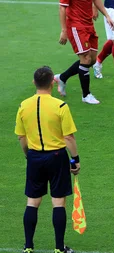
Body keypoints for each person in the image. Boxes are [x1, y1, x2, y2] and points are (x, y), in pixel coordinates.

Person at [15, 66, 80, 253]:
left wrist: (29, 155)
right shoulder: (60, 106)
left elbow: (21, 137)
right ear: (53, 82)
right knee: (58, 201)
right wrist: (75, 159)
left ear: (34, 82)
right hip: (57, 157)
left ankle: (28, 246)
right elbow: (69, 138)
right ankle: (59, 248)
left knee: (32, 201)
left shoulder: (23, 106)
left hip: (35, 156)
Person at [55, 0, 114, 105]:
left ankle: (62, 78)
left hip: (89, 24)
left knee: (91, 60)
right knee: (85, 58)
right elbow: (62, 7)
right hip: (76, 26)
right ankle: (86, 95)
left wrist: (107, 15)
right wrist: (64, 30)